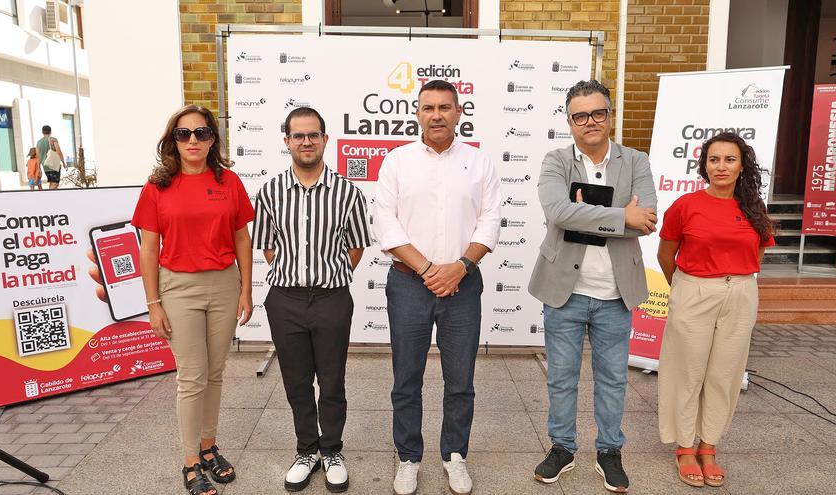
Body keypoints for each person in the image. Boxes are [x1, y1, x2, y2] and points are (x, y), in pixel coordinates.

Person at [528, 79, 657, 494]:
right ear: (569, 121)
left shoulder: (636, 161)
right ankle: (562, 448)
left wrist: (588, 211)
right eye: (580, 115)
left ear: (610, 115)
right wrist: (621, 217)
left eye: (598, 112)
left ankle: (609, 451)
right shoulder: (555, 161)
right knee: (561, 377)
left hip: (615, 292)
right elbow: (559, 212)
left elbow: (648, 219)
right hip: (564, 290)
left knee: (613, 378)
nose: (590, 122)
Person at [374, 79, 501, 495]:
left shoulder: (480, 162)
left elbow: (491, 220)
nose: (436, 115)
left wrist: (461, 267)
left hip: (463, 285)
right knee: (406, 378)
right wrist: (430, 268)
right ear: (417, 113)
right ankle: (408, 457)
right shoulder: (397, 162)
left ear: (459, 112)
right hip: (409, 284)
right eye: (428, 108)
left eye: (444, 107)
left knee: (460, 379)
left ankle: (454, 456)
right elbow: (386, 224)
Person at [131, 105, 254, 495]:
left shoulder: (229, 181)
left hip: (223, 284)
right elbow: (148, 250)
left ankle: (208, 446)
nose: (193, 141)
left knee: (215, 372)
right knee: (191, 376)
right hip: (178, 287)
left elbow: (241, 239)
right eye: (184, 135)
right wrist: (153, 303)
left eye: (201, 133)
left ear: (213, 139)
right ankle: (189, 462)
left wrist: (246, 289)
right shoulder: (158, 186)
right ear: (173, 141)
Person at [254, 107, 371, 493]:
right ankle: (307, 450)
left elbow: (355, 247)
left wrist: (326, 274)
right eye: (298, 135)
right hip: (284, 299)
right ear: (286, 140)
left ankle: (332, 450)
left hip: (332, 298)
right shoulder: (269, 192)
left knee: (332, 380)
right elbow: (268, 248)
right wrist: (296, 275)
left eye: (313, 135)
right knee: (296, 381)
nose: (306, 141)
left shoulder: (348, 192)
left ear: (325, 139)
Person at [656, 132, 775, 488]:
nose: (721, 166)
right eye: (714, 159)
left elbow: (758, 255)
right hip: (694, 290)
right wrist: (686, 287)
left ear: (742, 166)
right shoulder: (685, 205)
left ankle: (708, 446)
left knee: (724, 375)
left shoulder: (754, 208)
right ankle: (684, 447)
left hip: (740, 292)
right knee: (688, 372)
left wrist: (734, 281)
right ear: (704, 165)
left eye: (729, 160)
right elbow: (666, 255)